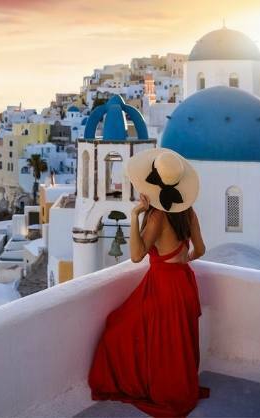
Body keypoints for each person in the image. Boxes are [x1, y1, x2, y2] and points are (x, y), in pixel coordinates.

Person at [88, 148, 209, 417]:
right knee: (177, 340)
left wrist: (134, 216)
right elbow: (199, 249)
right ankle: (179, 387)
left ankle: (161, 388)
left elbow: (135, 255)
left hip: (163, 284)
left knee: (119, 328)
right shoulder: (188, 212)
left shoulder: (156, 217)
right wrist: (181, 259)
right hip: (184, 282)